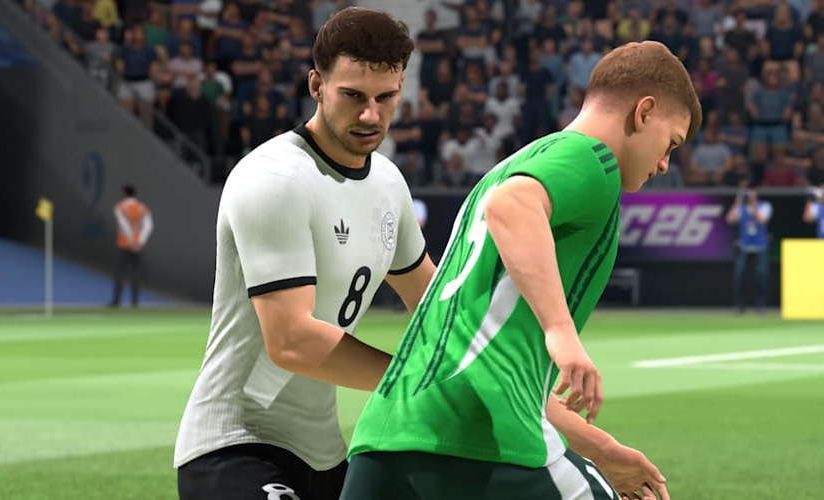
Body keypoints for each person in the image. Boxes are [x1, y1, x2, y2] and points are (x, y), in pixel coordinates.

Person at [342, 41, 702, 500]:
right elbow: (511, 205)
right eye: (671, 143)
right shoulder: (594, 160)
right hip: (478, 432)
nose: (666, 164)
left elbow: (493, 353)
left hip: (387, 433)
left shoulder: (510, 166)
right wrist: (561, 331)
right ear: (644, 112)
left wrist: (602, 448)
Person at [174, 8, 436, 500]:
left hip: (325, 455)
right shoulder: (275, 178)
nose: (370, 115)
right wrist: (420, 378)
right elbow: (292, 341)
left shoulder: (388, 183)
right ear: (316, 85)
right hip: (235, 445)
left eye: (385, 98)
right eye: (353, 96)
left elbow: (435, 307)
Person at [726, 186, 773, 313]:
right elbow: (730, 219)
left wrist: (754, 205)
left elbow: (762, 220)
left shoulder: (765, 206)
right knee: (739, 275)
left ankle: (760, 305)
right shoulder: (741, 207)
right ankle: (740, 305)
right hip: (745, 246)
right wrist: (737, 203)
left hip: (760, 246)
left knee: (761, 275)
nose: (749, 197)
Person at [108, 185, 153, 308]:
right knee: (135, 273)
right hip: (138, 246)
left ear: (125, 193)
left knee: (120, 272)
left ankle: (116, 301)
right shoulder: (143, 208)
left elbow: (124, 225)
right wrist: (140, 241)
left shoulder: (120, 207)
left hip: (124, 244)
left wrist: (131, 241)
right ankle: (135, 302)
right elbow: (148, 225)